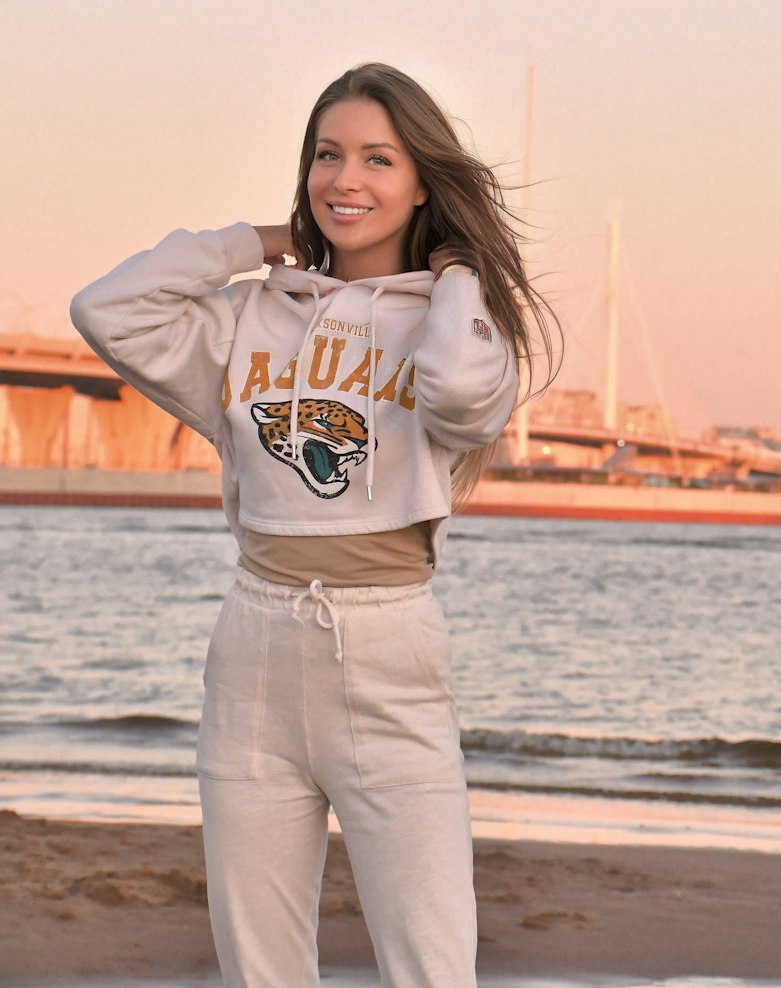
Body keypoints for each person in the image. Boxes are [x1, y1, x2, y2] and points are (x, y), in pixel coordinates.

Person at [70, 62, 558, 988]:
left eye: (380, 159)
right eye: (328, 156)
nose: (347, 179)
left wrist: (454, 271)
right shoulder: (247, 319)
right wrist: (253, 241)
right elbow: (106, 309)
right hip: (253, 648)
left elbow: (458, 391)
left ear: (422, 183)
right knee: (258, 967)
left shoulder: (456, 331)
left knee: (431, 964)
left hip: (389, 652)